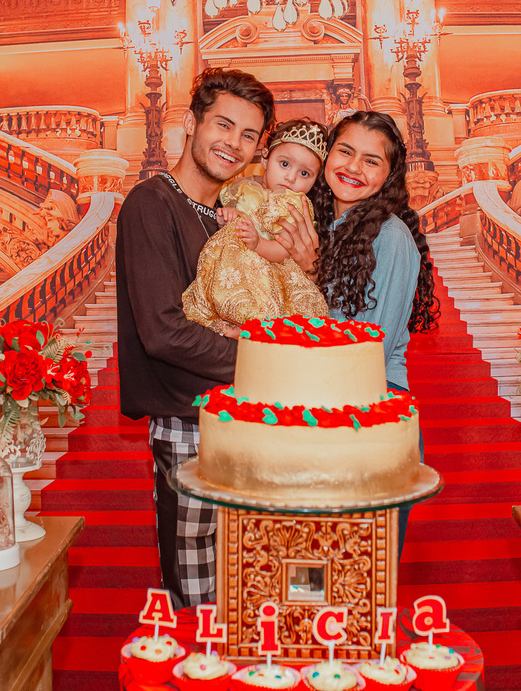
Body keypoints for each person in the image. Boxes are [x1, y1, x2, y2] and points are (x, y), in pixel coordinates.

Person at [114, 67, 275, 608]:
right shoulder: (152, 203)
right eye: (223, 125)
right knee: (199, 600)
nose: (234, 143)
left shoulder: (229, 216)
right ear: (190, 123)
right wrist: (267, 360)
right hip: (190, 425)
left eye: (248, 134)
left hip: (248, 420)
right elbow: (163, 332)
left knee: (253, 588)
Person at [287, 110, 439, 551]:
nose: (353, 167)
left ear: (389, 176)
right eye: (345, 151)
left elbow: (366, 352)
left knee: (360, 571)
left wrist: (309, 272)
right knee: (312, 568)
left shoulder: (390, 237)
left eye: (371, 161)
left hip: (370, 413)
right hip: (315, 410)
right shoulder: (317, 226)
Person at [182, 119, 329, 332]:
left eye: (304, 173)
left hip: (271, 270)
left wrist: (259, 244)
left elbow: (285, 250)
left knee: (266, 308)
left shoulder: (294, 205)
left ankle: (253, 329)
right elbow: (234, 225)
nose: (291, 177)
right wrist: (228, 218)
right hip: (234, 264)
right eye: (284, 164)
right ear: (266, 158)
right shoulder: (243, 187)